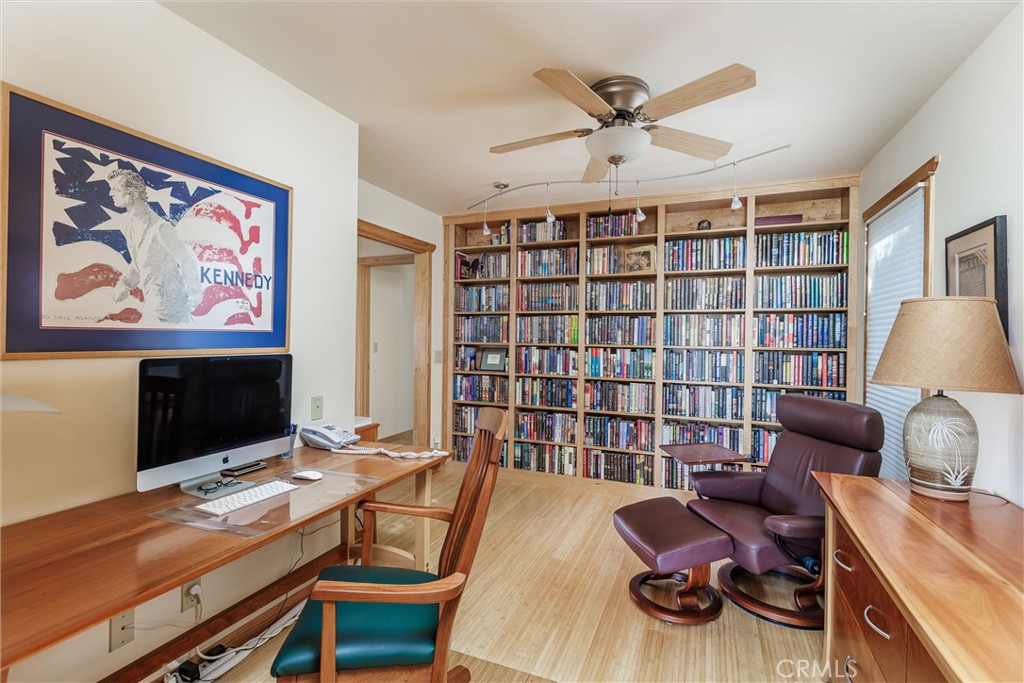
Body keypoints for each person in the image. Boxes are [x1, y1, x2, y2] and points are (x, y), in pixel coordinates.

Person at [107, 169, 203, 323]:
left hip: (170, 310)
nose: (110, 193)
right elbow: (141, 263)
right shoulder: (130, 228)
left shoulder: (161, 228)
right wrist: (124, 285)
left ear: (133, 194)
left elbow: (186, 260)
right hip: (153, 304)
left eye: (116, 189)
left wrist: (194, 296)